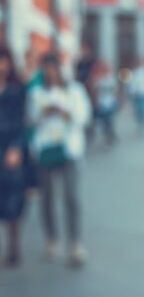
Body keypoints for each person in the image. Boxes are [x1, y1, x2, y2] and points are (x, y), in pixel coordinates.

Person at [28, 53, 91, 267]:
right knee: (46, 197)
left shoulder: (74, 91)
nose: (51, 72)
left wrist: (64, 112)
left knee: (71, 196)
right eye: (47, 68)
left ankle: (74, 242)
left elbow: (83, 117)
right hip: (46, 147)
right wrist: (44, 112)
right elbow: (31, 119)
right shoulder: (37, 93)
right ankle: (52, 238)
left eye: (53, 67)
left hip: (69, 148)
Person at [0, 46, 27, 267]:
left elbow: (22, 121)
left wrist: (17, 147)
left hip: (10, 149)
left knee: (12, 201)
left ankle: (13, 249)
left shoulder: (17, 90)